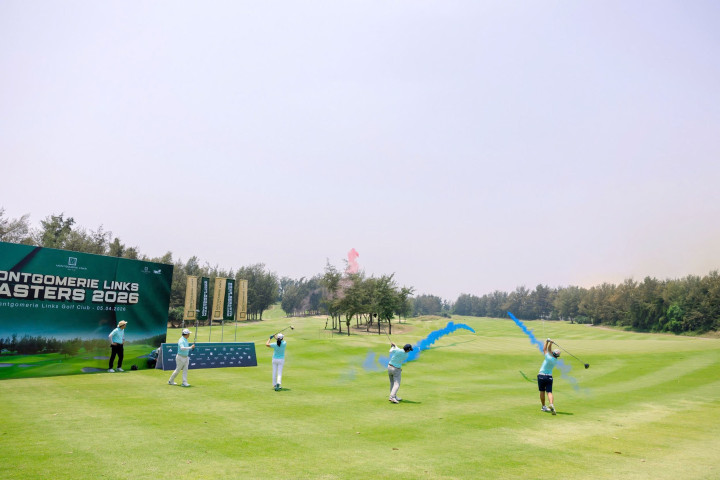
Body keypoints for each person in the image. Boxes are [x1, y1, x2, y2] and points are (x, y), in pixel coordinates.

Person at [538, 338, 560, 415]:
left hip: (541, 376)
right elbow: (550, 350)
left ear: (553, 353)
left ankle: (543, 406)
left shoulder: (548, 357)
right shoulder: (555, 360)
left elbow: (544, 349)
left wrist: (547, 342)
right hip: (549, 377)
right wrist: (551, 343)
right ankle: (551, 404)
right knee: (549, 392)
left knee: (542, 391)